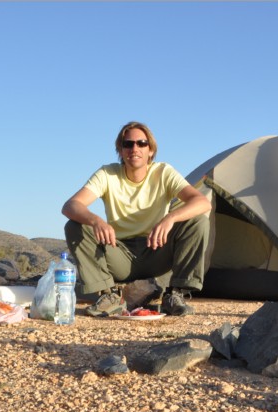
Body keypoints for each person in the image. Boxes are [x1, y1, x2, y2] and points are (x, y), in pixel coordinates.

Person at [62, 121, 211, 317]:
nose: (135, 148)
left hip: (156, 249)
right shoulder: (108, 173)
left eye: (141, 143)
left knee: (198, 221)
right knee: (75, 226)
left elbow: (202, 202)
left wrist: (170, 218)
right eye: (128, 144)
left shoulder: (163, 172)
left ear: (151, 150)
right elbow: (71, 205)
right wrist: (95, 220)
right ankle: (109, 296)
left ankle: (175, 295)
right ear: (121, 150)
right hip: (119, 253)